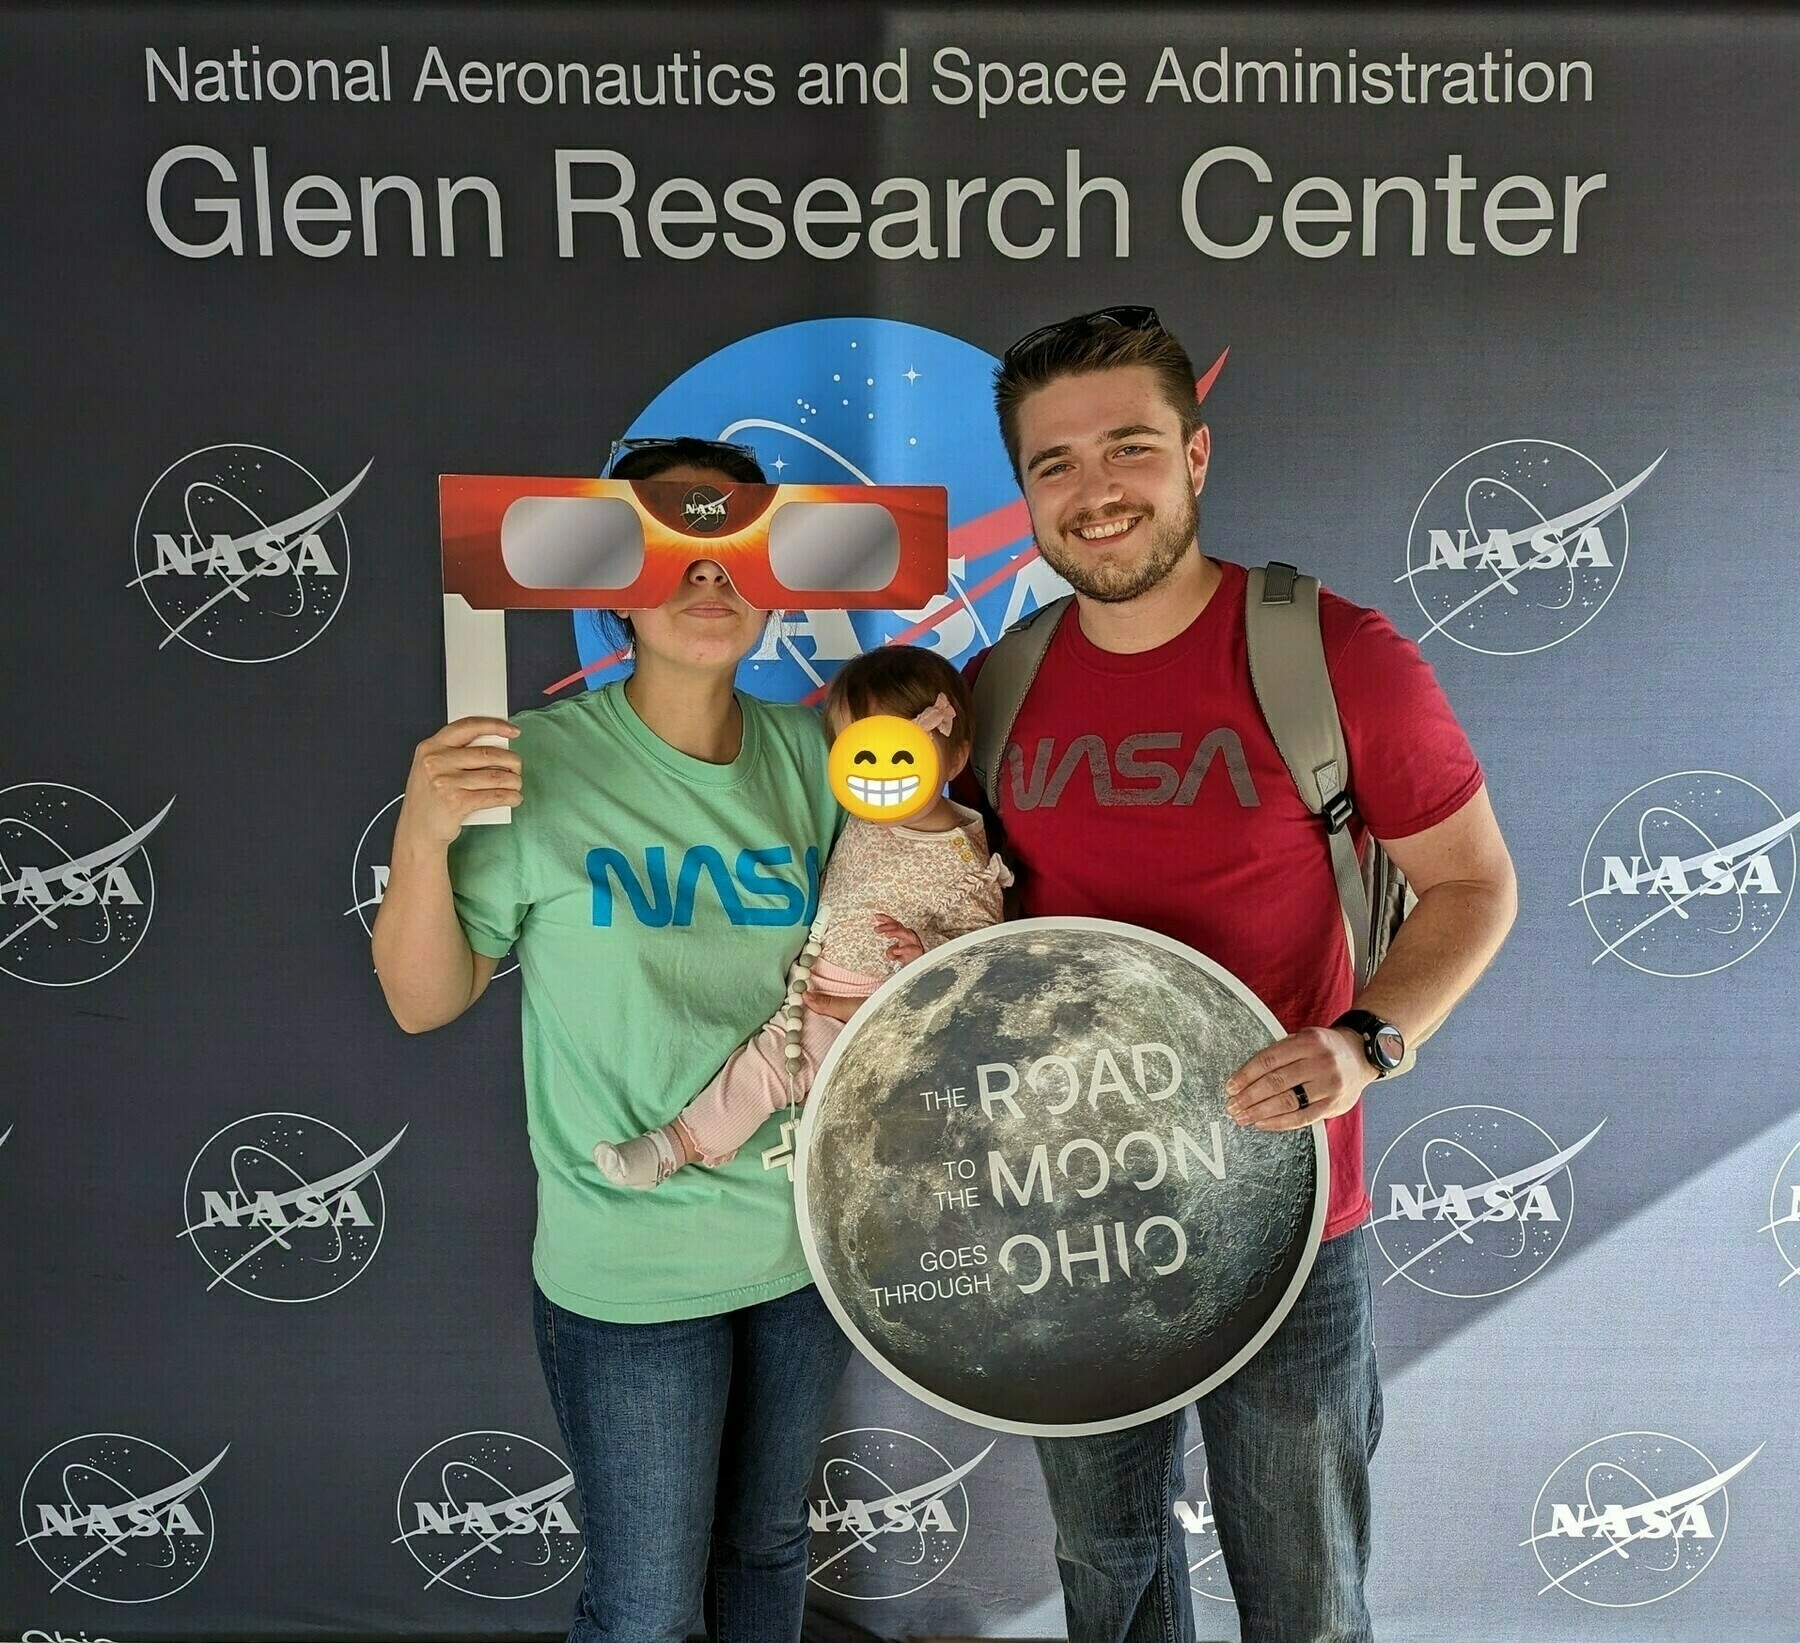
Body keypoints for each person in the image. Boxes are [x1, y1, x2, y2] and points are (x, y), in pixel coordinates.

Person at [966, 309, 1518, 1643]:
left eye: (1130, 448)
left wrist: (1366, 1040)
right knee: (1107, 1577)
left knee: (1306, 1588)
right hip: (1072, 1217)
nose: (1094, 490)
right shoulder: (996, 685)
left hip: (1288, 1216)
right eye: (1054, 464)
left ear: (1197, 457)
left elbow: (1474, 883)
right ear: (1025, 491)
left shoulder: (1333, 655)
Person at [371, 436, 851, 1643]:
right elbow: (424, 999)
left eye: (735, 552)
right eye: (673, 555)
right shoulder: (527, 763)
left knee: (769, 1553)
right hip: (630, 1272)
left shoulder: (818, 761)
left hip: (807, 1254)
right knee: (641, 1607)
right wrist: (423, 835)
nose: (708, 582)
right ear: (608, 581)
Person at [593, 646, 1011, 1189]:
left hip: (873, 1006)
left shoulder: (962, 861)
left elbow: (984, 960)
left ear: (953, 760)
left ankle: (677, 1146)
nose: (877, 776)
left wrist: (926, 952)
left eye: (900, 757)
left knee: (772, 1068)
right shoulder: (863, 814)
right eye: (856, 756)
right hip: (815, 974)